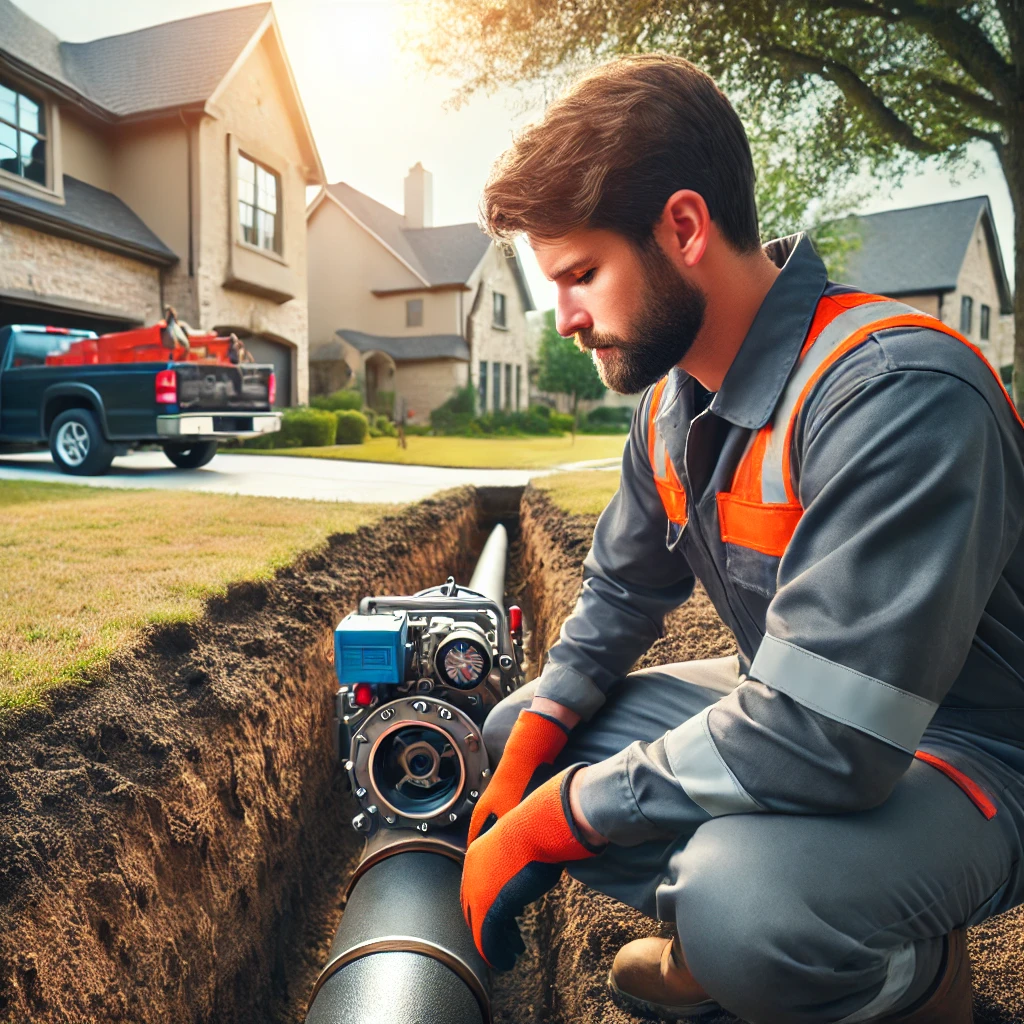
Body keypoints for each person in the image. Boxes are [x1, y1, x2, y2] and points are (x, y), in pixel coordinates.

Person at [459, 54, 1024, 1024]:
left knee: (741, 901)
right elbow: (617, 598)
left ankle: (907, 977)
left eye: (583, 274)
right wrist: (535, 748)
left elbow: (829, 736)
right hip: (808, 707)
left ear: (683, 227)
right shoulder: (671, 408)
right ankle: (772, 931)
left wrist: (554, 822)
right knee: (523, 736)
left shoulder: (894, 395)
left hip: (970, 746)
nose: (566, 318)